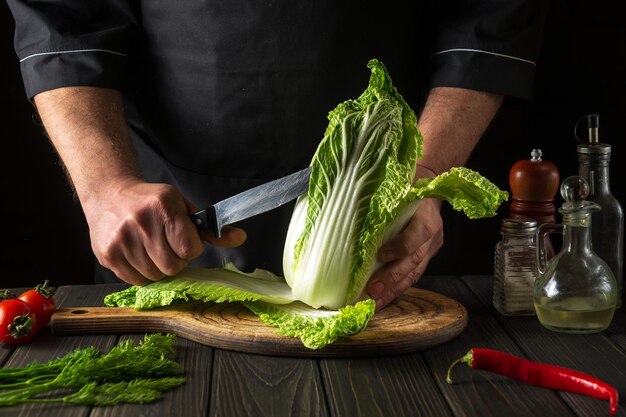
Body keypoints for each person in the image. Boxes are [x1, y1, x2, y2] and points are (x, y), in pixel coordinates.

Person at [6, 1, 547, 310]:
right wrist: (105, 186)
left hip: (382, 245)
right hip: (164, 227)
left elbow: (492, 12)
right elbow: (64, 18)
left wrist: (418, 179)